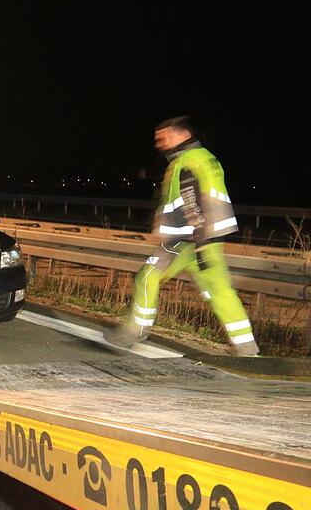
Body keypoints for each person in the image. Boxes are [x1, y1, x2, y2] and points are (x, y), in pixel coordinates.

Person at [105, 116, 259, 356]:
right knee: (219, 290)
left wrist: (198, 242)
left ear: (181, 134)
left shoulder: (185, 162)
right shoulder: (207, 158)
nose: (160, 143)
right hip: (208, 239)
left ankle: (135, 331)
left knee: (148, 277)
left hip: (188, 240)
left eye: (163, 137)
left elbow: (192, 200)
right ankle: (248, 349)